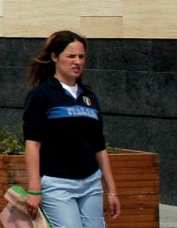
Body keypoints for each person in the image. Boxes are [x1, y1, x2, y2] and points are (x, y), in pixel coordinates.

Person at [23, 30, 120, 228]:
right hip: (57, 184)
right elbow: (32, 144)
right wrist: (34, 189)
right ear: (54, 57)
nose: (77, 62)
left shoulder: (89, 97)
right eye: (71, 56)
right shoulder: (41, 95)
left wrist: (112, 190)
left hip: (91, 183)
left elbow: (99, 145)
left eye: (81, 57)